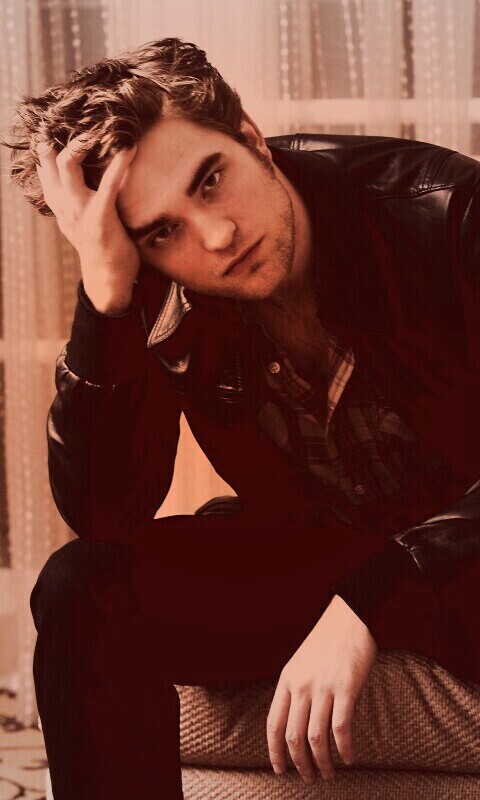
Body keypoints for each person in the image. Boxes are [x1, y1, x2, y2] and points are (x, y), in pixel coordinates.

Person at [3, 36, 480, 800]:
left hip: (462, 565)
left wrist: (372, 603)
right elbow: (104, 514)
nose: (217, 237)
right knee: (81, 586)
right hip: (332, 549)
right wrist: (106, 300)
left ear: (250, 137)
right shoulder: (150, 287)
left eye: (211, 180)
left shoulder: (448, 212)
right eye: (163, 231)